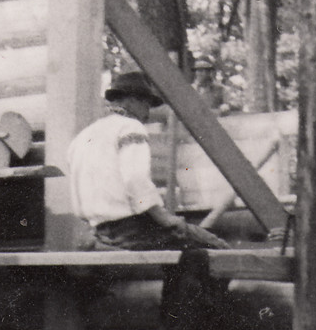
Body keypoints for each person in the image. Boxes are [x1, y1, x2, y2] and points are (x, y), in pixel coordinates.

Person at [65, 71, 228, 250]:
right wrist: (164, 218)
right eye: (146, 104)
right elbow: (135, 179)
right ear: (132, 101)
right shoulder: (130, 127)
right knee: (216, 249)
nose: (147, 113)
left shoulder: (83, 136)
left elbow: (77, 194)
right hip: (131, 230)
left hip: (99, 231)